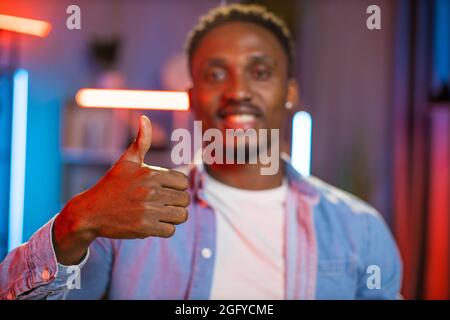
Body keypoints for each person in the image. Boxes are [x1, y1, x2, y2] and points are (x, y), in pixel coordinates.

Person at [0, 4, 402, 300]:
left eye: (260, 72)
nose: (238, 91)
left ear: (290, 91)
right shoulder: (127, 213)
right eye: (215, 73)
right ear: (192, 97)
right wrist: (77, 221)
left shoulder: (360, 231)